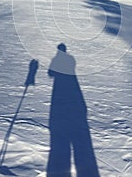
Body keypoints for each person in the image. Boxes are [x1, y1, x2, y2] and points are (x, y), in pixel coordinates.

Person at [46, 44, 99, 177]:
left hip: (59, 90)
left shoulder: (56, 59)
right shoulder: (70, 59)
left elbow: (50, 73)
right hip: (72, 87)